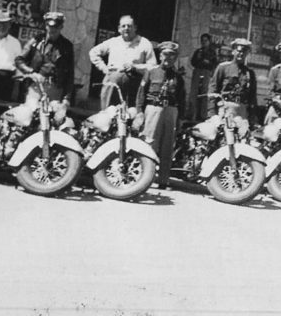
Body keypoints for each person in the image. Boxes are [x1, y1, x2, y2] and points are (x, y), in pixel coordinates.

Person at [136, 41, 186, 189]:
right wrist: (139, 112)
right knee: (149, 144)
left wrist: (180, 118)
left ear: (175, 58)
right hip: (153, 110)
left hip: (170, 111)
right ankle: (144, 177)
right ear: (160, 55)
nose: (168, 58)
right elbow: (141, 94)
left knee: (167, 147)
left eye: (172, 55)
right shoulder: (151, 72)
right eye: (165, 54)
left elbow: (182, 99)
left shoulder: (178, 77)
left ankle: (163, 180)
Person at [88, 15, 155, 109]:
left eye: (129, 26)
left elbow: (152, 65)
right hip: (112, 83)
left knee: (129, 114)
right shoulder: (113, 42)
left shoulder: (144, 43)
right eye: (123, 26)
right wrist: (104, 68)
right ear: (119, 29)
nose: (126, 28)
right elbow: (93, 52)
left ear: (135, 28)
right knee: (108, 113)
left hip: (133, 84)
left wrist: (135, 67)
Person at [15, 11, 76, 104]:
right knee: (30, 113)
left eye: (56, 27)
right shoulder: (36, 41)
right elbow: (19, 60)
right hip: (35, 87)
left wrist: (66, 98)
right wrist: (31, 72)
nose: (52, 29)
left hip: (55, 89)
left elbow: (70, 74)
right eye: (50, 26)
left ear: (61, 27)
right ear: (46, 26)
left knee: (52, 117)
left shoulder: (67, 46)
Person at [210, 38, 258, 121]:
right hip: (224, 108)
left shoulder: (250, 73)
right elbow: (213, 90)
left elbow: (252, 97)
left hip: (242, 110)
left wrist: (252, 115)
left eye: (244, 52)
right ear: (233, 51)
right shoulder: (223, 68)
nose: (241, 54)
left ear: (247, 54)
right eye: (239, 51)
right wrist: (212, 113)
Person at [189, 33, 219, 119]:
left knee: (204, 94)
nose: (203, 42)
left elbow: (214, 64)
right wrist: (198, 59)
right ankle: (192, 114)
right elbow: (193, 62)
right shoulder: (198, 51)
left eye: (205, 40)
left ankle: (203, 115)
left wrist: (207, 62)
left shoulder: (212, 52)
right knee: (194, 93)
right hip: (197, 72)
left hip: (206, 73)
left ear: (209, 41)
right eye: (202, 40)